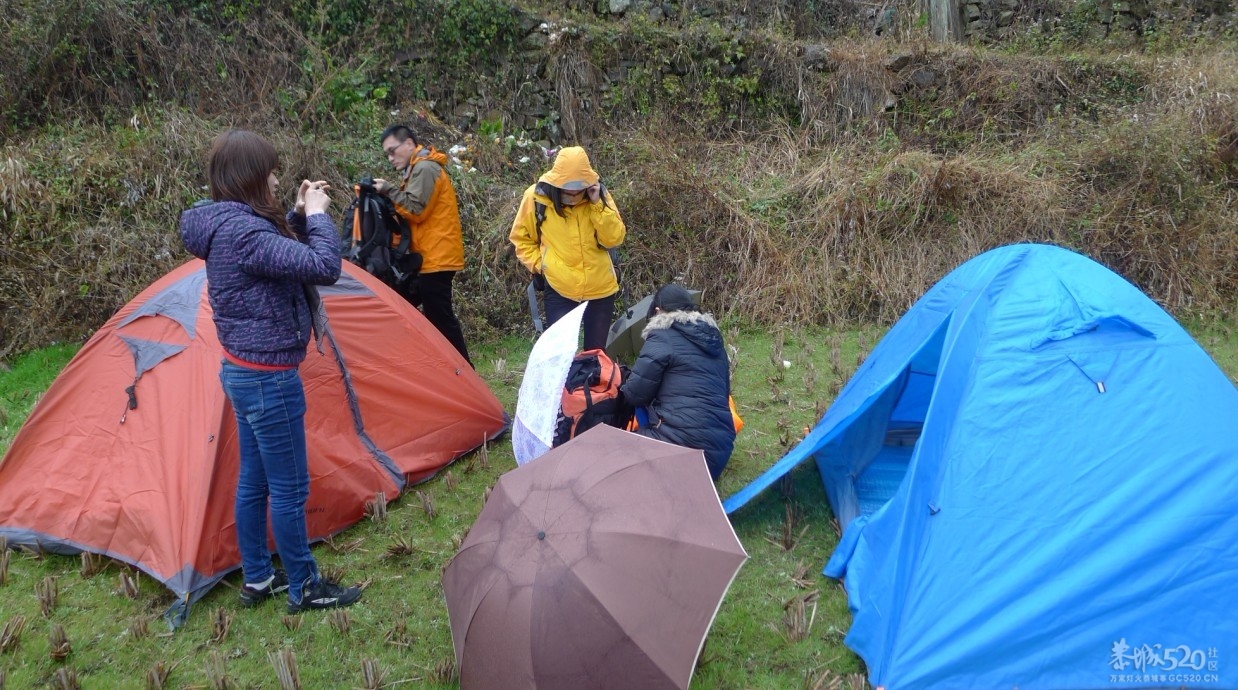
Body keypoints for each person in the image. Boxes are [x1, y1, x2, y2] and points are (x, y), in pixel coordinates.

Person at [179, 129, 362, 614]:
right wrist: (321, 218)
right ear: (253, 176)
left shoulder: (227, 226)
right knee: (289, 488)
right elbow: (323, 266)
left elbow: (284, 256)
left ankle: (258, 578)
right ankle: (305, 585)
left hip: (241, 371)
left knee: (255, 483)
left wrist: (300, 215)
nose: (278, 179)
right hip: (268, 379)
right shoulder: (246, 234)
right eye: (272, 171)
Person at [373, 124, 472, 366]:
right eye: (387, 153)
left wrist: (387, 190)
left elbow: (415, 210)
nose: (390, 158)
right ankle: (436, 369)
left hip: (436, 258)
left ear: (409, 144)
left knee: (441, 319)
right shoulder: (417, 168)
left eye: (393, 151)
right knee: (406, 306)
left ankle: (465, 375)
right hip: (427, 257)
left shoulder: (426, 168)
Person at [509, 146, 625, 351]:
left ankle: (592, 383)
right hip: (559, 287)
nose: (572, 194)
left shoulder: (599, 195)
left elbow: (614, 238)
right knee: (559, 357)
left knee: (595, 356)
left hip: (600, 288)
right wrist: (542, 265)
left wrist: (597, 203)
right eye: (567, 190)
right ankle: (566, 385)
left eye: (578, 190)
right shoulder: (536, 197)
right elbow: (521, 238)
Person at [619, 284, 736, 480]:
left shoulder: (661, 336)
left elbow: (634, 393)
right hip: (718, 453)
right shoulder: (714, 339)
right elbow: (725, 394)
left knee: (611, 453)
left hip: (677, 449)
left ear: (658, 311)